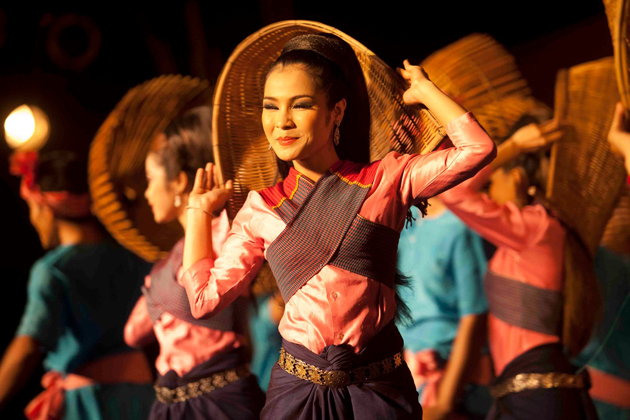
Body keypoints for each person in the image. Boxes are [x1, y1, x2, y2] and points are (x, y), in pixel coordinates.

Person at [180, 33, 496, 419]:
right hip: (297, 395)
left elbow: (477, 149)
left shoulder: (387, 179)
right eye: (270, 107)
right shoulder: (261, 208)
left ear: (337, 111)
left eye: (301, 105)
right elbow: (203, 301)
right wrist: (198, 215)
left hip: (378, 390)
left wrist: (426, 92)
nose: (282, 122)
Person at [439, 120, 600, 419]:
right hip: (531, 389)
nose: (486, 192)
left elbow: (454, 192)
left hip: (536, 394)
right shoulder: (540, 232)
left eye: (490, 182)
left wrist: (512, 146)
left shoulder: (536, 227)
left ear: (515, 178)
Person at [124, 106, 265, 419]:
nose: (146, 193)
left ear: (178, 183)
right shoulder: (171, 260)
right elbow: (132, 334)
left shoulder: (228, 234)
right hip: (173, 403)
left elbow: (135, 331)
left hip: (220, 403)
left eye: (150, 179)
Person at [0, 150, 155, 419]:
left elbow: (28, 346)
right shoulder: (136, 257)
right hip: (145, 399)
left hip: (90, 404)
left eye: (32, 208)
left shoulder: (53, 270)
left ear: (47, 206)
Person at [398, 196, 493, 420]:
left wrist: (444, 403)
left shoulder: (458, 227)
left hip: (457, 377)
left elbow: (474, 316)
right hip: (410, 372)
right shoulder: (402, 224)